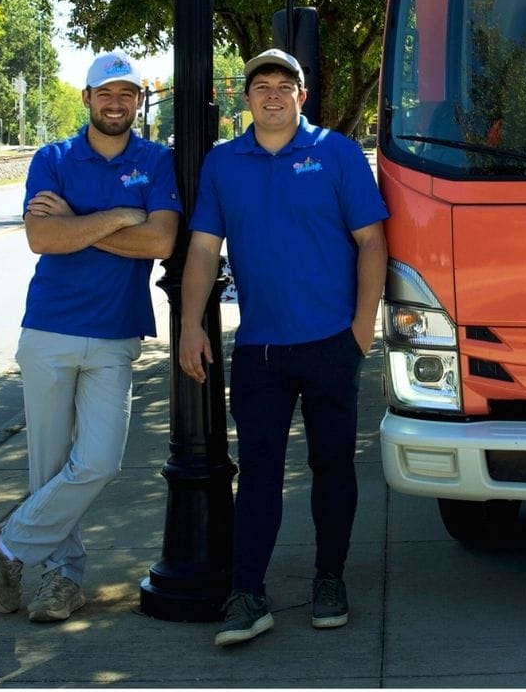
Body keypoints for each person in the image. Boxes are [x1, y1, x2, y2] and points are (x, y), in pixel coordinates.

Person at [177, 49, 388, 647]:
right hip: (260, 351)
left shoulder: (337, 154)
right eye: (261, 85)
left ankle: (329, 579)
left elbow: (372, 241)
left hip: (330, 344)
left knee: (332, 467)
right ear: (247, 98)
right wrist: (192, 324)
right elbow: (201, 249)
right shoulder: (223, 164)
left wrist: (361, 328)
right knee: (261, 473)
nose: (272, 94)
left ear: (302, 94)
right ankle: (248, 595)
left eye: (284, 85)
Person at [0, 51, 178, 623]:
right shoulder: (54, 157)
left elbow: (160, 243)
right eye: (105, 94)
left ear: (140, 101)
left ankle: (8, 546)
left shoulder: (157, 161)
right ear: (86, 99)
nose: (116, 104)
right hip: (49, 330)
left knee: (99, 461)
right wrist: (120, 216)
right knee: (50, 464)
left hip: (115, 332)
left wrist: (80, 223)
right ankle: (61, 581)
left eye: (127, 94)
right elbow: (42, 237)